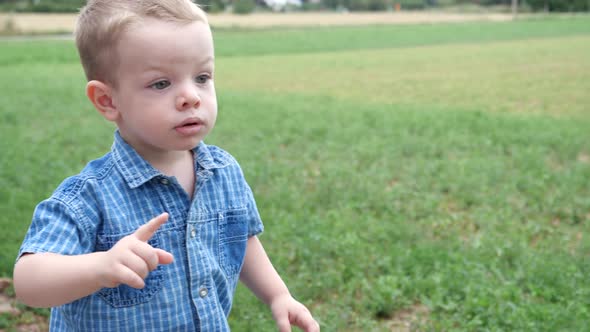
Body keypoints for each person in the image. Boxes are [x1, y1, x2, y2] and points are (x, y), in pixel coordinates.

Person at [12, 1, 320, 331]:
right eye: (161, 83)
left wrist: (277, 295)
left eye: (202, 77)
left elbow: (240, 238)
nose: (191, 96)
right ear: (108, 101)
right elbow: (29, 281)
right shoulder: (89, 196)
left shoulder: (223, 172)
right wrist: (100, 266)